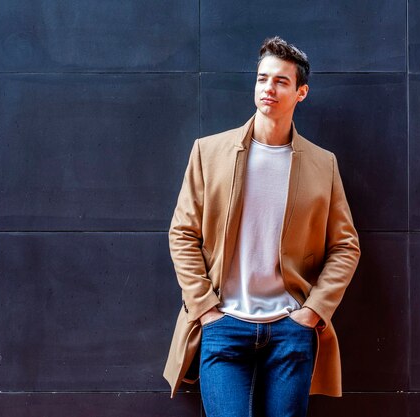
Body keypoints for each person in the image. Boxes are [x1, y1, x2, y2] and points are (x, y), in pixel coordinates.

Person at [163, 37, 361, 417]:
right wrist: (205, 309)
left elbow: (345, 246)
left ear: (301, 92)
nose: (268, 88)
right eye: (262, 79)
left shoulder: (323, 164)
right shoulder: (209, 152)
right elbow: (183, 234)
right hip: (223, 324)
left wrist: (313, 312)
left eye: (281, 81)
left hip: (291, 328)